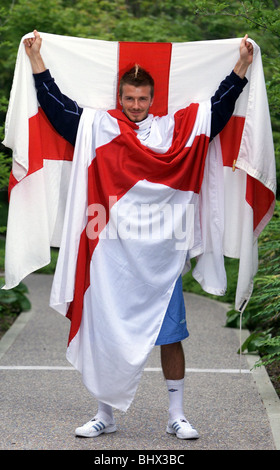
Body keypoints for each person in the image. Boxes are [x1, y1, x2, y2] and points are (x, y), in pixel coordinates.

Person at [24, 31, 253, 440]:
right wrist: (38, 61)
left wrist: (239, 69)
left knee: (172, 338)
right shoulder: (99, 127)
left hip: (161, 258)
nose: (135, 105)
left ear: (152, 98)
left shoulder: (174, 131)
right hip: (110, 255)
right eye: (128, 98)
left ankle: (176, 415)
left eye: (142, 99)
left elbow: (216, 112)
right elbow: (58, 111)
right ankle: (104, 415)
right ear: (120, 96)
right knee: (106, 334)